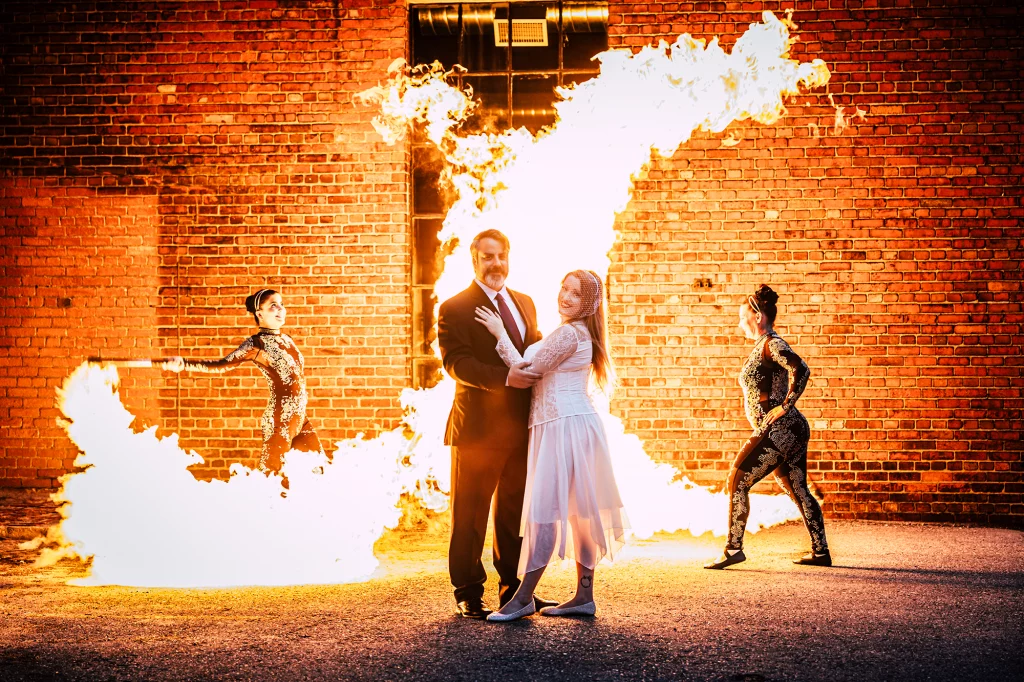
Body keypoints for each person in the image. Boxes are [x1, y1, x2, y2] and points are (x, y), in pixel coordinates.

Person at [475, 269, 628, 622]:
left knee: (544, 512)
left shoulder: (567, 333)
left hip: (563, 427)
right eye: (563, 288)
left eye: (575, 293)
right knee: (580, 512)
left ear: (587, 303)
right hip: (572, 425)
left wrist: (499, 333)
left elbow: (525, 372)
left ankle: (523, 598)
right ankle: (582, 598)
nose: (565, 296)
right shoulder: (580, 332)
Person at [437, 229, 559, 620]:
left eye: (502, 255)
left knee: (513, 513)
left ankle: (513, 591)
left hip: (521, 426)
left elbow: (534, 347)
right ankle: (468, 591)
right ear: (474, 260)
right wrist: (503, 378)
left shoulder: (524, 302)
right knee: (469, 515)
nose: (497, 264)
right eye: (488, 257)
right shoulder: (454, 307)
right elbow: (455, 363)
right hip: (476, 429)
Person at [704, 284, 830, 570]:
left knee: (737, 480)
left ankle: (733, 548)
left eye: (742, 317)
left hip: (780, 430)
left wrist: (785, 406)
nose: (739, 324)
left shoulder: (771, 344)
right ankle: (821, 552)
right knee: (797, 489)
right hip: (791, 430)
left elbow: (802, 368)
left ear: (758, 316)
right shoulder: (762, 347)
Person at [166, 289, 324, 480]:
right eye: (273, 305)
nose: (280, 309)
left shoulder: (288, 339)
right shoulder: (256, 344)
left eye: (281, 304)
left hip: (300, 420)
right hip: (279, 422)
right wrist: (184, 364)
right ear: (259, 313)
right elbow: (220, 365)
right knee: (272, 481)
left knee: (319, 471)